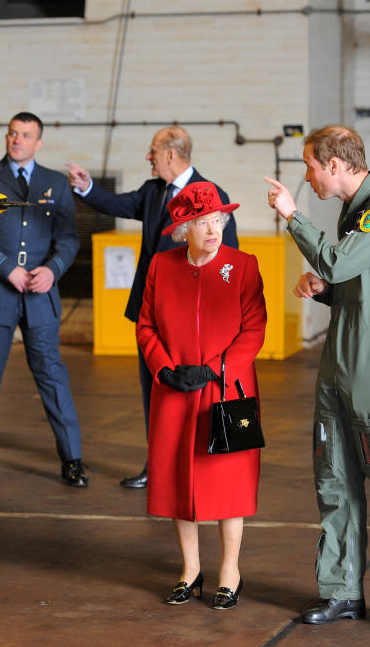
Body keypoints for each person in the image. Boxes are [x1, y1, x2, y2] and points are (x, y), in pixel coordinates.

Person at [264, 125, 370, 636]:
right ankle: (343, 593)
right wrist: (323, 291)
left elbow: (339, 262)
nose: (308, 176)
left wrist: (292, 218)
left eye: (310, 165)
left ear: (334, 165)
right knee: (335, 479)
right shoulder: (354, 212)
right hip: (341, 364)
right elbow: (359, 287)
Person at [66, 127, 238, 489]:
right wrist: (86, 187)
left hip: (190, 320)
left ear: (172, 155)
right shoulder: (153, 192)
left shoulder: (211, 195)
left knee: (197, 395)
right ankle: (159, 466)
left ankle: (203, 470)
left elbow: (227, 259)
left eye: (153, 152)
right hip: (151, 315)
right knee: (156, 393)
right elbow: (118, 205)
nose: (149, 158)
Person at [136, 182, 266, 610]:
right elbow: (146, 326)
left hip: (227, 391)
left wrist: (216, 369)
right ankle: (190, 569)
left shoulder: (243, 266)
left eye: (217, 220)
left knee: (229, 479)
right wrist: (166, 369)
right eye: (202, 223)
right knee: (178, 480)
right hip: (175, 391)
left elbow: (254, 329)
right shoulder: (160, 266)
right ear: (183, 230)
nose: (213, 229)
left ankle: (231, 569)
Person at [0, 112, 87, 487]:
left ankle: (73, 459)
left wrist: (52, 269)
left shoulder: (54, 184)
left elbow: (68, 238)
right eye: (13, 134)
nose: (17, 140)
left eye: (26, 135)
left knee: (52, 376)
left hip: (40, 294)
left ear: (39, 142)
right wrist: (5, 268)